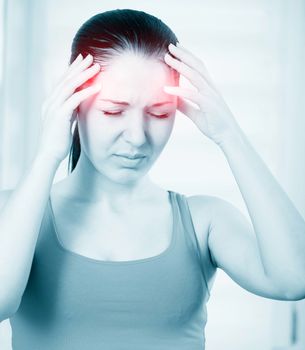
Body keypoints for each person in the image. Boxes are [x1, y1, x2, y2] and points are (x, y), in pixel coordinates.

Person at [0, 8, 305, 350]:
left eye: (159, 113)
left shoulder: (204, 221)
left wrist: (228, 133)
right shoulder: (16, 213)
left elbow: (295, 278)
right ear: (73, 104)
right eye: (113, 111)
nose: (137, 136)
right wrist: (47, 155)